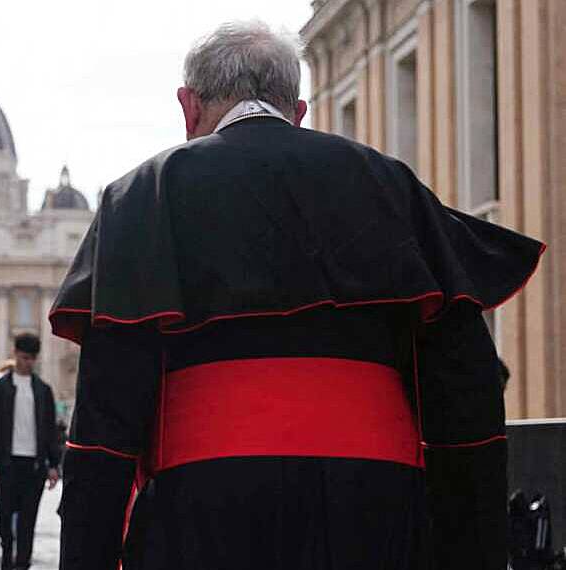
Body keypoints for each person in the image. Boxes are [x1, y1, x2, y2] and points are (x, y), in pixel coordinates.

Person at [51, 21, 545, 570]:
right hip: (374, 507)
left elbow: (105, 421)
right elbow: (463, 392)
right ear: (299, 110)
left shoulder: (143, 195)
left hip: (203, 509)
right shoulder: (389, 183)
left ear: (188, 107)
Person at [0, 334, 62, 570]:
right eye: (25, 357)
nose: (28, 363)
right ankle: (7, 553)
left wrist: (54, 464)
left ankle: (22, 563)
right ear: (15, 353)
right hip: (6, 463)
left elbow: (49, 430)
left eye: (32, 359)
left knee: (28, 520)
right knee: (3, 515)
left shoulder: (43, 390)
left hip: (34, 464)